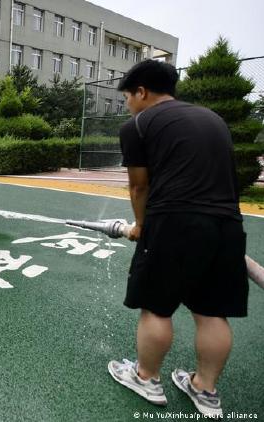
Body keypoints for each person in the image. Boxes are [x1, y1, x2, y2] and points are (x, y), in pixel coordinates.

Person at [106, 60, 248, 417]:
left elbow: (140, 185)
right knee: (212, 312)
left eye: (127, 97)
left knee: (156, 305)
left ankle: (146, 377)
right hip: (227, 223)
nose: (127, 104)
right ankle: (205, 389)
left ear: (141, 92)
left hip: (175, 222)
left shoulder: (138, 124)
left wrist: (140, 225)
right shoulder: (214, 120)